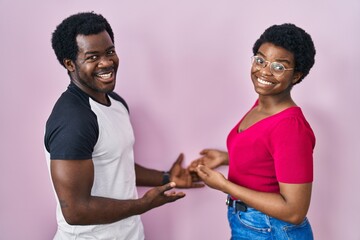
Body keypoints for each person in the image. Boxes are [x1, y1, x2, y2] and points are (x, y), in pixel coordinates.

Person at [44, 12, 203, 240]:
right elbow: (76, 211)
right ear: (70, 64)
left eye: (110, 52)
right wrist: (143, 204)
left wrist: (167, 178)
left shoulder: (115, 102)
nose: (107, 63)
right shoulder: (73, 120)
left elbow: (117, 163)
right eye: (92, 57)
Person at [190, 23, 316, 239]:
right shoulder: (261, 105)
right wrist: (226, 158)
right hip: (249, 224)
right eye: (260, 60)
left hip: (272, 229)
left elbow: (294, 211)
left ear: (296, 76)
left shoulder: (290, 127)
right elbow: (269, 157)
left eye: (279, 66)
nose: (264, 71)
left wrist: (225, 186)